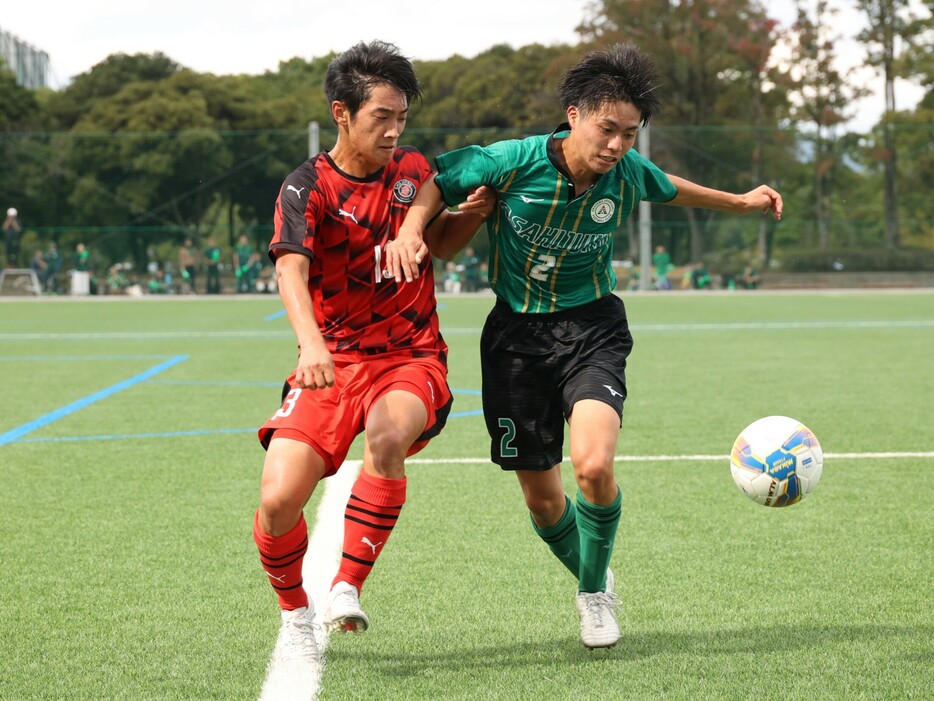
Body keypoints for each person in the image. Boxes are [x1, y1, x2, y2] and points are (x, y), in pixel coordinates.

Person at [389, 43, 783, 650]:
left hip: (593, 328)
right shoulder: (511, 160)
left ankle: (593, 594)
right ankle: (594, 571)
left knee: (593, 466)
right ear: (574, 115)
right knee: (544, 501)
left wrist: (741, 201)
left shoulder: (625, 173)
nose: (618, 146)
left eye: (631, 134)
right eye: (608, 130)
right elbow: (437, 181)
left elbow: (671, 188)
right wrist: (413, 230)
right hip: (515, 340)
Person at [252, 40, 494, 664]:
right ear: (342, 113)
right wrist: (310, 345)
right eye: (380, 117)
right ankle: (295, 612)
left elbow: (441, 247)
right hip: (332, 360)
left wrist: (475, 214)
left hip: (411, 355)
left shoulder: (413, 171)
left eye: (401, 118)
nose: (393, 131)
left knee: (387, 439)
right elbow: (290, 271)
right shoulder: (306, 187)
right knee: (278, 501)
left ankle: (344, 587)